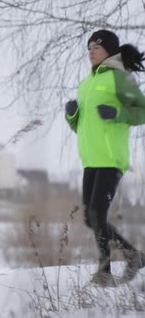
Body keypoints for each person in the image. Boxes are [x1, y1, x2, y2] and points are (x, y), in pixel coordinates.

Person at [65, 29, 145, 286]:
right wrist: (72, 116)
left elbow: (141, 111)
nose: (90, 51)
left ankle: (105, 272)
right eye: (88, 47)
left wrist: (118, 113)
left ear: (109, 50)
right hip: (90, 160)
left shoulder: (120, 79)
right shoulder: (86, 84)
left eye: (96, 47)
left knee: (98, 213)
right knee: (91, 217)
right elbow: (82, 127)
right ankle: (134, 256)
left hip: (111, 159)